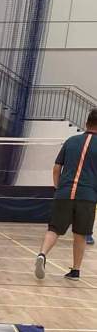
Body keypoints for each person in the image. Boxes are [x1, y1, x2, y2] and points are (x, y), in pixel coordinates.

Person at [35, 108, 97, 281]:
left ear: (86, 123)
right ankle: (75, 271)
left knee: (54, 229)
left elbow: (56, 168)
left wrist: (58, 188)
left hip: (64, 193)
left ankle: (42, 254)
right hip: (87, 196)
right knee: (80, 234)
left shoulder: (71, 141)